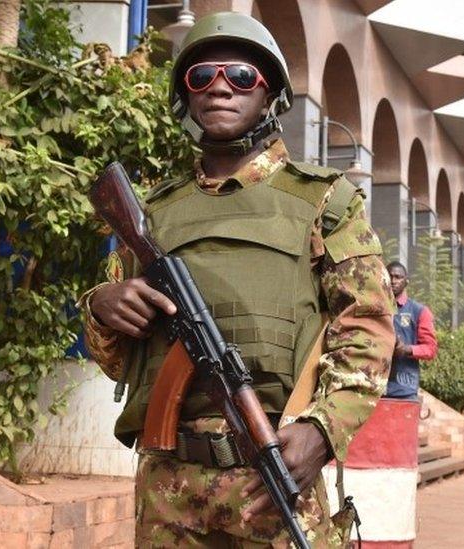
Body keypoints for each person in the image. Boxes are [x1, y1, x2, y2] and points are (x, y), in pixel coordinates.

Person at [80, 12, 395, 547]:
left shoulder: (324, 200)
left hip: (272, 470)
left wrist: (323, 430)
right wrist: (102, 307)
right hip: (168, 486)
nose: (220, 86)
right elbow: (113, 358)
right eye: (201, 76)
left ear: (269, 92)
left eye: (242, 76)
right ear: (185, 96)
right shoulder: (151, 214)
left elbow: (366, 329)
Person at [383, 261, 437, 400]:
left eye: (398, 277)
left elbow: (430, 349)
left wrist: (406, 349)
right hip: (373, 389)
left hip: (404, 391)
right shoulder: (373, 309)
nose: (393, 281)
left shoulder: (419, 311)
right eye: (390, 276)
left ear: (406, 281)